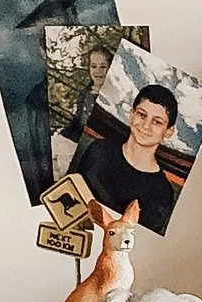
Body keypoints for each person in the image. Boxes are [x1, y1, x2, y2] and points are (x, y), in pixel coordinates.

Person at [71, 80, 193, 229]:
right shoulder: (99, 150)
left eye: (157, 122)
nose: (146, 125)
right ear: (131, 114)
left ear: (168, 132)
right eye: (142, 115)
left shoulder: (162, 192)